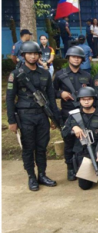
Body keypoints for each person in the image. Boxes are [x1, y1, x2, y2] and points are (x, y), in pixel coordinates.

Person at [7, 41, 61, 191]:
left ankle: (42, 174)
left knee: (42, 147)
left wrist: (54, 118)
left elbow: (51, 98)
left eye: (35, 54)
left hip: (42, 115)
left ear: (39, 55)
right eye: (29, 54)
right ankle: (31, 176)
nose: (32, 56)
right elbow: (10, 98)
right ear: (23, 55)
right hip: (25, 116)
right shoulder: (16, 74)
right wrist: (12, 121)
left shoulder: (44, 73)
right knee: (28, 148)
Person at [62, 87, 98, 194]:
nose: (86, 101)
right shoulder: (74, 116)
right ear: (79, 100)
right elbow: (64, 133)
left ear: (93, 99)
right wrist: (73, 129)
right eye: (83, 99)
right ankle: (93, 170)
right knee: (85, 186)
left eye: (89, 98)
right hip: (83, 150)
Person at [53, 46, 93, 181]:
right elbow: (51, 92)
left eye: (79, 57)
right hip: (67, 113)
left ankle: (84, 166)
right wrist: (60, 93)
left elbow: (93, 94)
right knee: (69, 141)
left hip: (85, 113)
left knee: (85, 140)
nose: (76, 59)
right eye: (73, 56)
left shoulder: (86, 76)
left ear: (82, 59)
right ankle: (70, 168)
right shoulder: (60, 75)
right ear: (68, 58)